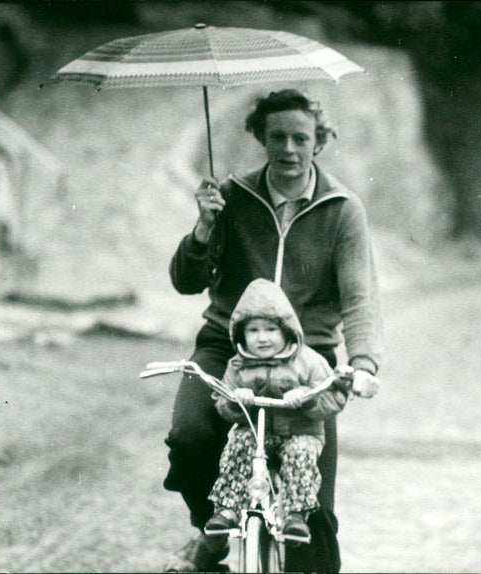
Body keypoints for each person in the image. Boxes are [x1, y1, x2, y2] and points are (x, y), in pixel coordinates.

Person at [162, 89, 382, 573]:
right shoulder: (233, 197)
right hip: (229, 347)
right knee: (190, 436)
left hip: (308, 359)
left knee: (316, 514)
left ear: (318, 143)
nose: (288, 149)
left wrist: (363, 363)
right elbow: (185, 281)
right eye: (277, 136)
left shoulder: (343, 208)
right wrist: (203, 228)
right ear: (261, 138)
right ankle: (211, 533)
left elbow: (359, 298)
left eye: (300, 138)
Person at [205, 278, 351, 542]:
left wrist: (307, 398)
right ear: (241, 334)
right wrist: (236, 400)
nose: (262, 338)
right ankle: (227, 509)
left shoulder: (308, 360)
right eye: (253, 330)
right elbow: (221, 401)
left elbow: (335, 396)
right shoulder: (238, 365)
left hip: (299, 433)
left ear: (287, 329)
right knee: (239, 443)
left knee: (300, 454)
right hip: (257, 433)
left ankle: (296, 515)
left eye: (271, 329)